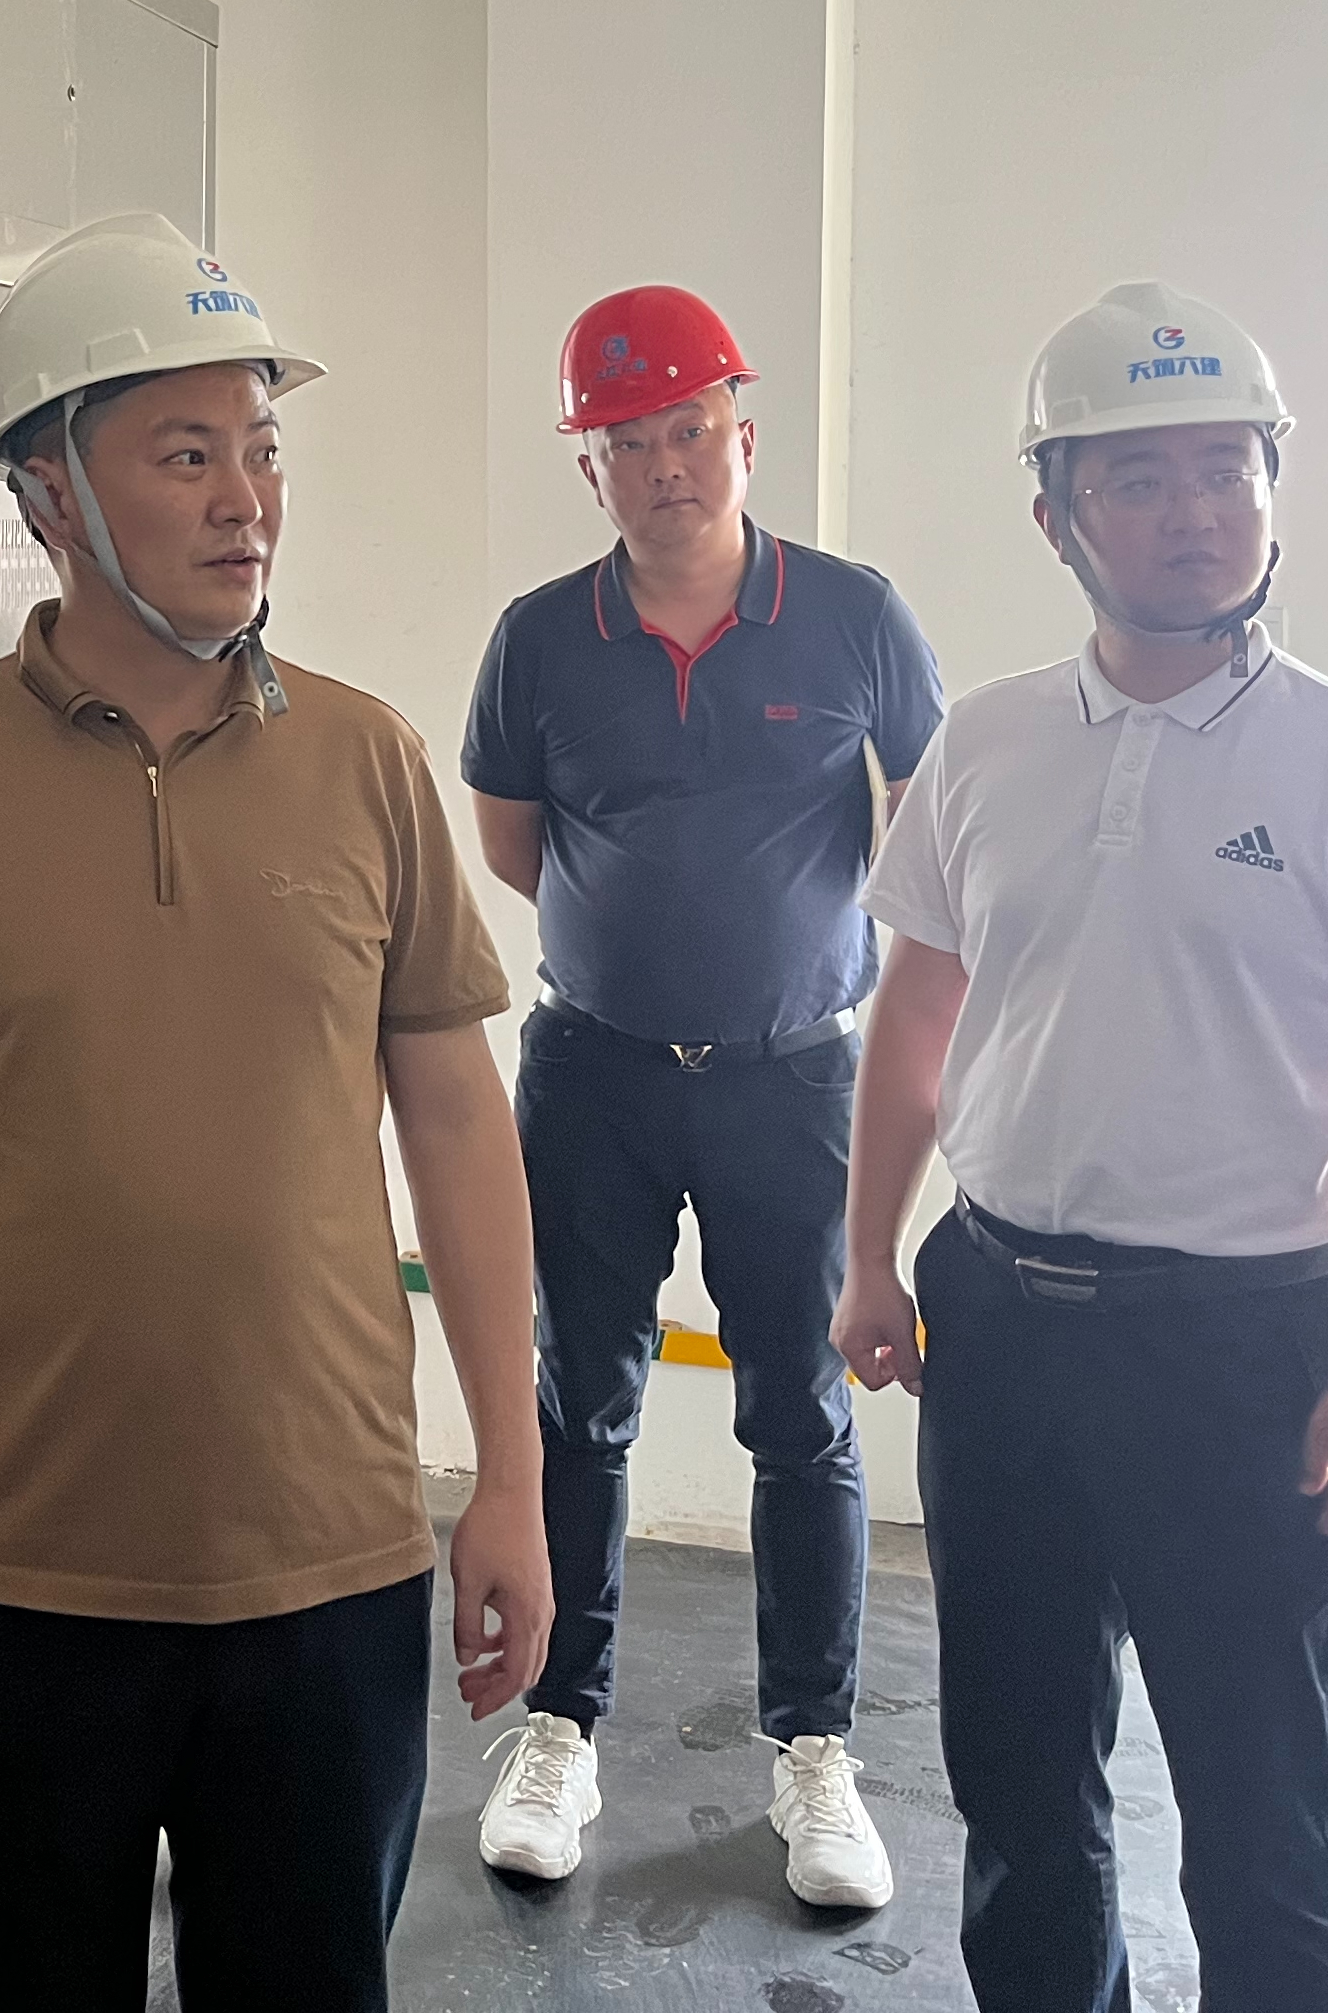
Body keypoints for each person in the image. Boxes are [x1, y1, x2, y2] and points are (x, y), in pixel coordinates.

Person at [0, 213, 554, 2010]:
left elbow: (456, 1125)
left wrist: (509, 1482)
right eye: (184, 455)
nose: (244, 503)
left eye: (260, 451)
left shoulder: (365, 760)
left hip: (326, 1563)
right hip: (20, 1570)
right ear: (48, 487)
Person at [836, 282, 1328, 2011]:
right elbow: (914, 1010)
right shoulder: (983, 744)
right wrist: (866, 1257)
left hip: (1247, 1348)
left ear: (1273, 487)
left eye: (1225, 468)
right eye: (1137, 478)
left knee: (1260, 1811)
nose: (1192, 511)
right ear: (1054, 513)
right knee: (1015, 1791)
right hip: (998, 1325)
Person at [462, 284, 943, 1908]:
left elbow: (926, 827)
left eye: (688, 429)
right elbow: (514, 844)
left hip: (790, 1078)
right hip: (591, 1072)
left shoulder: (852, 617)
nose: (663, 465)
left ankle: (813, 1754)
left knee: (797, 1413)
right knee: (577, 1402)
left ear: (742, 434)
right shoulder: (540, 639)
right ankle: (558, 1730)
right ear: (585, 467)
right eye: (626, 442)